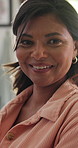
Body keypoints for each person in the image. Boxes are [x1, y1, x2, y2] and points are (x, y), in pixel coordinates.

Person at [0, 0, 78, 147]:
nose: (38, 54)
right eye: (27, 42)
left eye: (54, 41)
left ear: (75, 47)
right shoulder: (13, 109)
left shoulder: (74, 113)